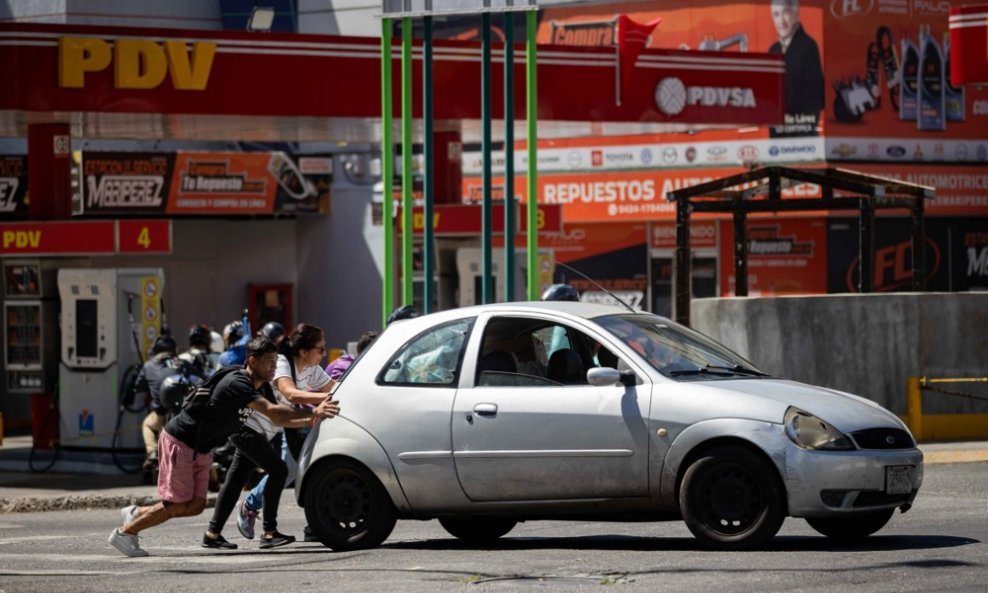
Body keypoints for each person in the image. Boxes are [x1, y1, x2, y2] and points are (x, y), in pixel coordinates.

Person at [108, 337, 339, 557]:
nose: (274, 368)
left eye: (275, 361)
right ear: (252, 361)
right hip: (181, 441)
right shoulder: (237, 384)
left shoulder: (262, 385)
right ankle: (125, 533)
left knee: (196, 506)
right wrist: (313, 413)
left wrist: (311, 415)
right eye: (269, 362)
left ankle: (137, 513)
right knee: (176, 504)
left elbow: (279, 417)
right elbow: (275, 413)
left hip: (201, 447)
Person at [236, 324, 337, 544]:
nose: (325, 353)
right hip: (266, 424)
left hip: (288, 422)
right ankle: (251, 508)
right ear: (304, 351)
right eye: (321, 349)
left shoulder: (311, 366)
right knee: (286, 470)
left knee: (294, 469)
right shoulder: (282, 362)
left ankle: (311, 525)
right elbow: (290, 394)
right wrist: (324, 400)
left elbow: (332, 387)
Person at [768, 0, 824, 137]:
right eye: (776, 14)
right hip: (778, 138)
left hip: (802, 137)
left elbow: (817, 97)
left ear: (796, 13)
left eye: (785, 12)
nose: (781, 21)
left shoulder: (808, 46)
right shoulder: (773, 50)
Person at [137, 335, 181, 472]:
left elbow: (138, 385)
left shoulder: (149, 365)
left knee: (148, 425)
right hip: (183, 413)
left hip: (162, 412)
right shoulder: (180, 362)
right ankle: (214, 479)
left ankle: (152, 451)